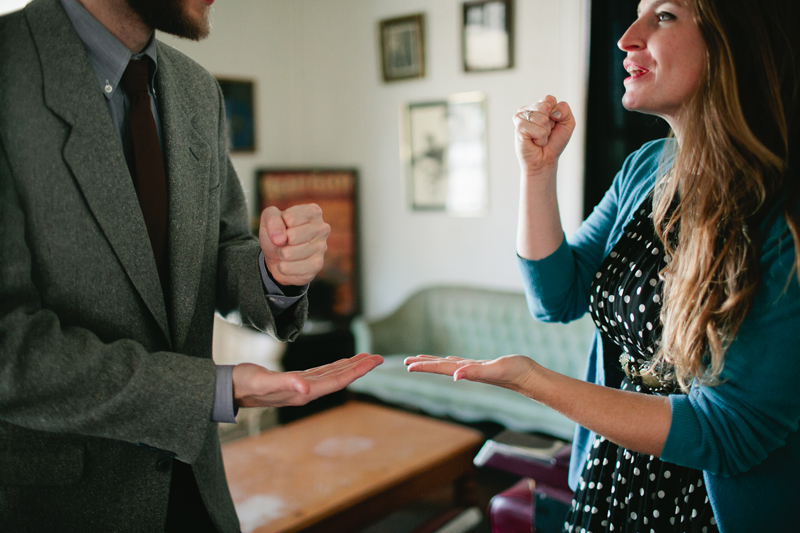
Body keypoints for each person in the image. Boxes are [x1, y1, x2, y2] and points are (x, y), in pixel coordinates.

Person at [405, 0, 799, 530]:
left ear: (732, 43)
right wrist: (537, 173)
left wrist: (533, 382)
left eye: (664, 16)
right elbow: (555, 298)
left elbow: (730, 434)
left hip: (708, 506)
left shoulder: (782, 209)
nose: (627, 37)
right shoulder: (644, 170)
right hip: (608, 479)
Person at [0, 0, 382, 531]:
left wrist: (275, 272)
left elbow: (224, 250)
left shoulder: (197, 89)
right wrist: (210, 390)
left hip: (201, 496)